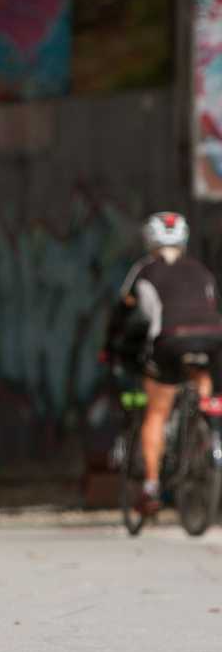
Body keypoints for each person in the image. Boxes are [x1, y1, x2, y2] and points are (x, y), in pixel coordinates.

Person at [107, 212, 222, 517]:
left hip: (169, 342)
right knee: (200, 372)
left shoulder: (145, 270)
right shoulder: (201, 270)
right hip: (212, 340)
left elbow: (124, 311)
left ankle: (151, 486)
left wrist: (111, 347)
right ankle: (203, 420)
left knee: (156, 411)